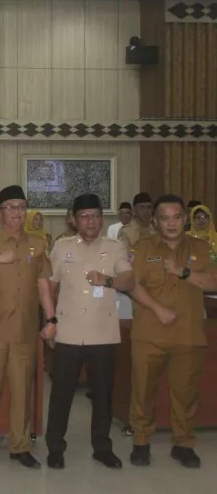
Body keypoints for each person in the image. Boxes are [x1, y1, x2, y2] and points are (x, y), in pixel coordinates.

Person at [0, 185, 57, 471]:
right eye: (11, 207)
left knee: (22, 392)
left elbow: (43, 285)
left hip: (25, 332)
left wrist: (51, 320)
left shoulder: (38, 244)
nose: (17, 212)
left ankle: (21, 447)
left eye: (21, 207)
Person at [44, 194, 134, 470]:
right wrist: (50, 320)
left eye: (95, 215)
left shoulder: (115, 247)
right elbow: (49, 285)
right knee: (61, 394)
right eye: (84, 216)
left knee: (103, 395)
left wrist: (107, 280)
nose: (90, 221)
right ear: (74, 220)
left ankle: (102, 448)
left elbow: (128, 279)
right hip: (68, 332)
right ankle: (55, 448)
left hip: (102, 333)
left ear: (102, 219)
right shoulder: (61, 247)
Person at [127, 194, 217, 469]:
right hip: (149, 334)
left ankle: (183, 444)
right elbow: (132, 285)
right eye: (164, 218)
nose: (171, 223)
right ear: (155, 221)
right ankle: (141, 442)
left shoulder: (201, 248)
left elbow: (213, 282)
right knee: (143, 391)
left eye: (176, 217)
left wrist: (183, 272)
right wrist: (158, 309)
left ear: (185, 219)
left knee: (186, 394)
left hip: (187, 335)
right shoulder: (142, 248)